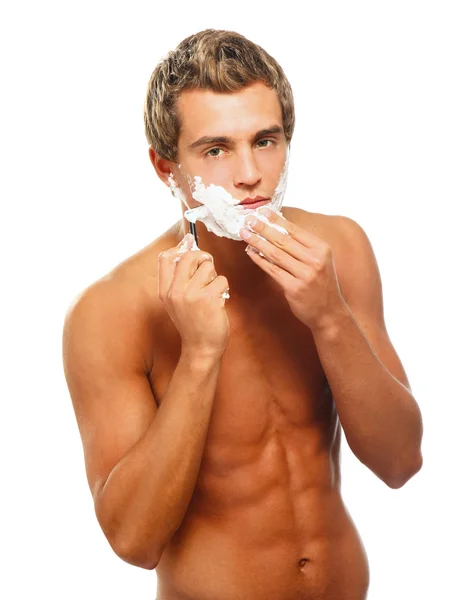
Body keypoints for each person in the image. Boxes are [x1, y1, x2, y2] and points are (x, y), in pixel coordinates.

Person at [62, 29, 424, 600]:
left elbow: (401, 461)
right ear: (166, 168)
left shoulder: (340, 250)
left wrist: (329, 317)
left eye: (266, 140)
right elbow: (134, 541)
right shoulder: (111, 311)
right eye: (216, 149)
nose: (250, 172)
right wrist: (201, 356)